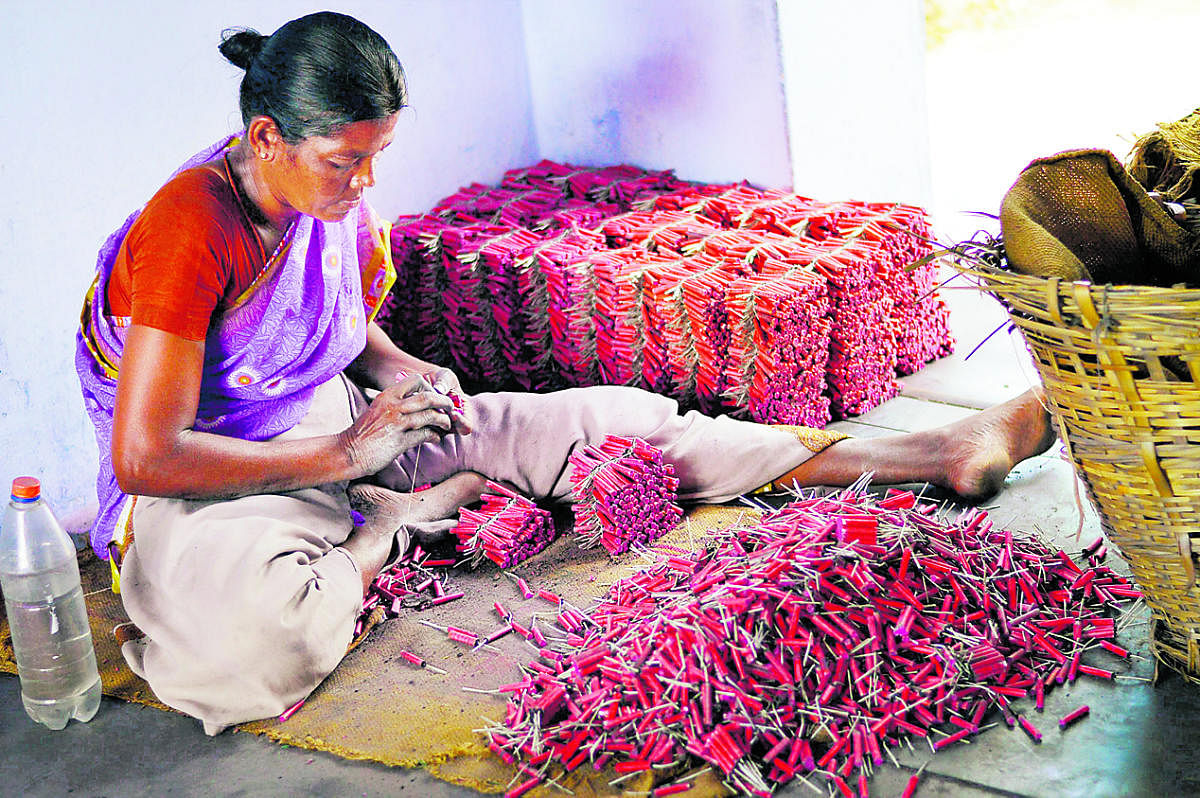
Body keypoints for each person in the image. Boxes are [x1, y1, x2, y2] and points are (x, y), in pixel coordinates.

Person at [75, 11, 1056, 735]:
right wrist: (346, 458)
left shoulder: (325, 196)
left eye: (378, 158)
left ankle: (940, 447)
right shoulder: (189, 229)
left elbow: (340, 331)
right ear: (264, 142)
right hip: (225, 489)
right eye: (345, 163)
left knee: (621, 423)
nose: (365, 185)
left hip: (347, 431)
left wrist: (405, 370)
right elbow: (150, 454)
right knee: (255, 641)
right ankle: (402, 526)